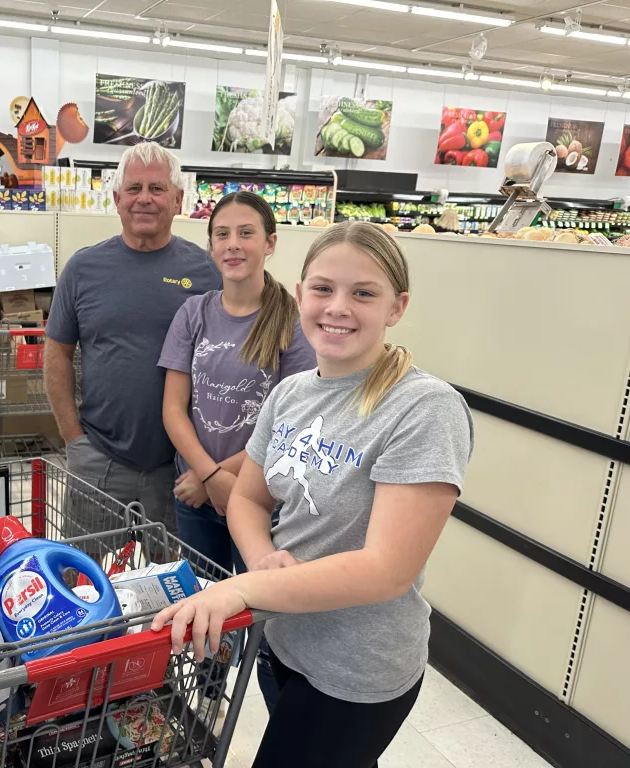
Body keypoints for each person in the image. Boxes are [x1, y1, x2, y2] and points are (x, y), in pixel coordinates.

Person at [151, 221, 474, 768]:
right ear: (300, 296)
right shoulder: (291, 393)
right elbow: (250, 500)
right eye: (323, 289)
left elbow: (386, 570)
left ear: (397, 307)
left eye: (363, 293)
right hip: (283, 642)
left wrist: (243, 589)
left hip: (356, 669)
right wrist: (261, 562)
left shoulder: (425, 409)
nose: (338, 307)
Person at [157, 191, 316, 711]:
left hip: (263, 496)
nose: (233, 244)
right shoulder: (193, 312)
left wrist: (220, 479)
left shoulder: (292, 322)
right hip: (195, 493)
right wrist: (206, 478)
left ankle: (278, 707)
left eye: (246, 233)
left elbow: (291, 422)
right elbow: (174, 411)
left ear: (270, 243)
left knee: (260, 603)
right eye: (222, 234)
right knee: (206, 597)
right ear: (210, 248)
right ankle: (207, 696)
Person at [45, 142, 220, 534]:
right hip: (99, 459)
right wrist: (74, 440)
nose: (145, 199)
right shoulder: (82, 268)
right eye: (134, 189)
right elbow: (56, 352)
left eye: (157, 189)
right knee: (86, 582)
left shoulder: (207, 272)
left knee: (171, 584)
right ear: (116, 199)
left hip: (178, 466)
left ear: (177, 200)